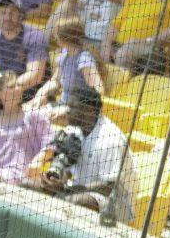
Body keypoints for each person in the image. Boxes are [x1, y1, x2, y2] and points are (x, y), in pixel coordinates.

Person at [37, 86, 134, 221]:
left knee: (74, 202)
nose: (67, 111)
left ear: (88, 110)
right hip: (79, 189)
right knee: (29, 186)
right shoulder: (74, 129)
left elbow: (109, 186)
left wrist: (68, 189)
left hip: (114, 203)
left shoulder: (111, 139)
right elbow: (68, 167)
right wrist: (56, 181)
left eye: (72, 107)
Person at [0, 73, 52, 183]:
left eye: (18, 85)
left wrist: (39, 160)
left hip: (24, 178)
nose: (18, 89)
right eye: (11, 87)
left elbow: (50, 143)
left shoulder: (33, 115)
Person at [31, 16, 106, 116]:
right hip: (61, 105)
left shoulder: (84, 59)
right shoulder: (65, 54)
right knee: (28, 110)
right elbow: (55, 81)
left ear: (64, 37)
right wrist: (41, 93)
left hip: (78, 113)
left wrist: (69, 110)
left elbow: (99, 90)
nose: (54, 37)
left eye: (56, 35)